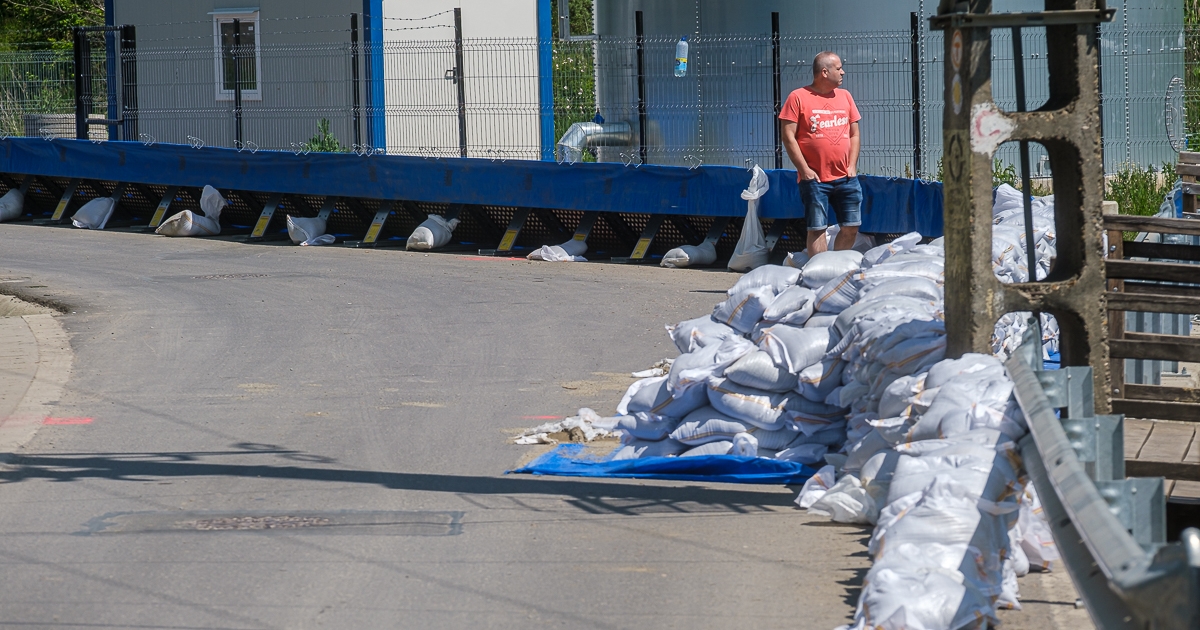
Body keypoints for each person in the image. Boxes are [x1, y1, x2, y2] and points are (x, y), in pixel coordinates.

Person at [779, 51, 862, 255]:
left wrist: (852, 166)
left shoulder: (846, 96)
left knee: (851, 227)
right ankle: (819, 276)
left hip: (846, 177)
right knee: (817, 229)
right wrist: (804, 170)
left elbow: (854, 134)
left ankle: (835, 269)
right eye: (838, 68)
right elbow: (788, 136)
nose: (843, 72)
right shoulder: (798, 97)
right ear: (824, 72)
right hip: (814, 179)